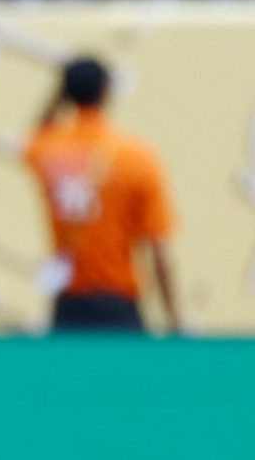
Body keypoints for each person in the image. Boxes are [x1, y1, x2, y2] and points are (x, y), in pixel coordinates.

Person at [24, 56, 181, 334]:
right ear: (107, 92)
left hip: (69, 302)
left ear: (66, 94)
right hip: (119, 301)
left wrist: (62, 93)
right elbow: (157, 247)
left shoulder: (48, 151)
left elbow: (35, 134)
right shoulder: (137, 157)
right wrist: (174, 318)